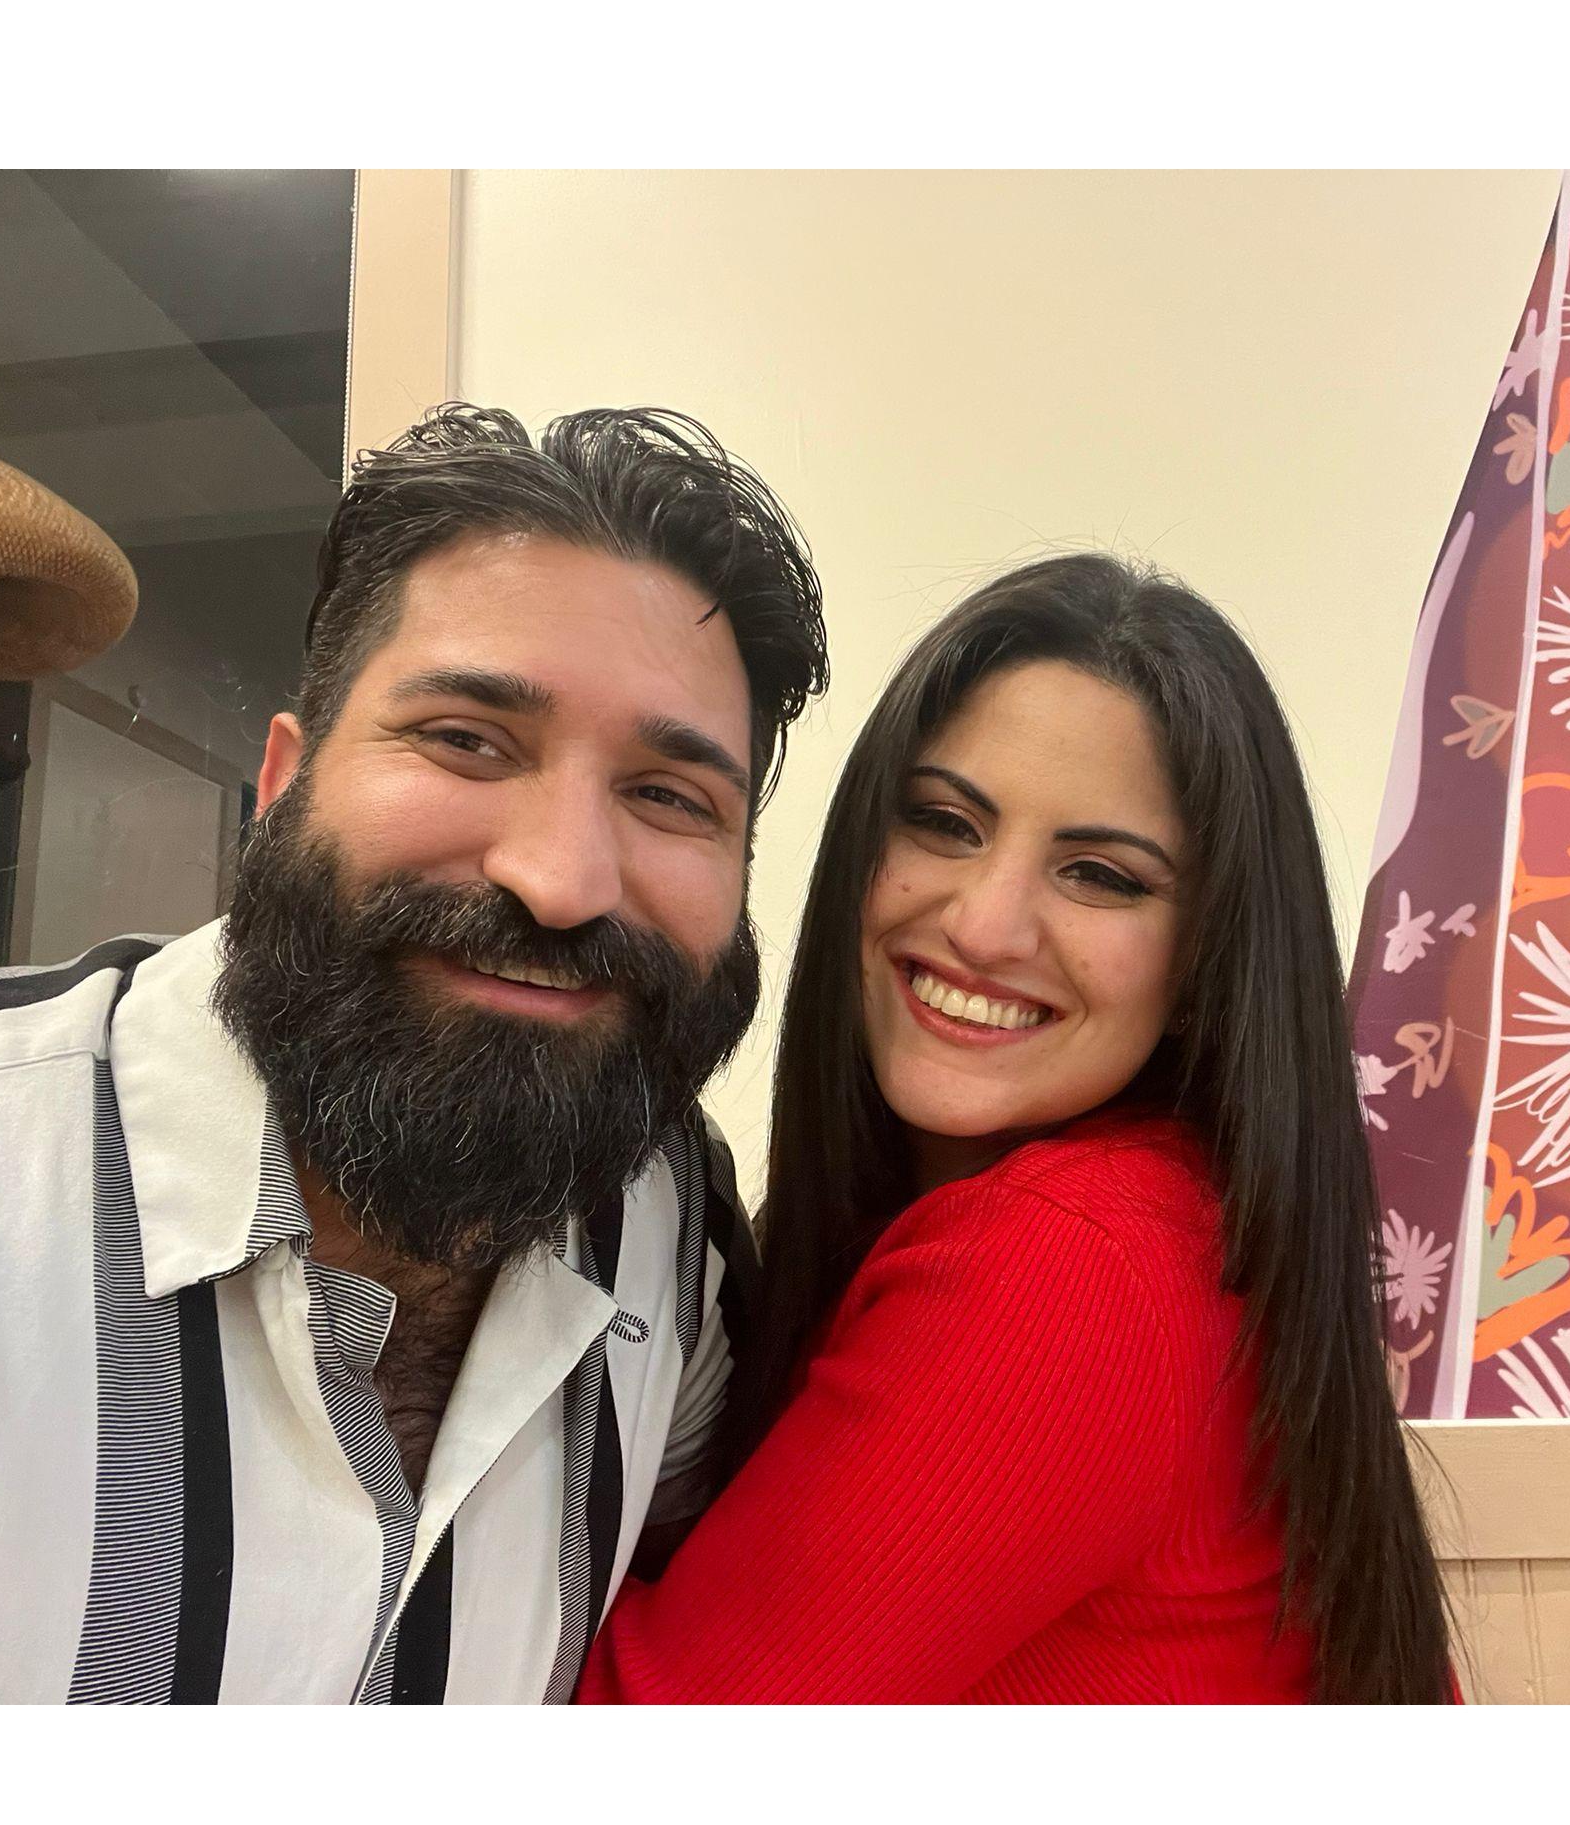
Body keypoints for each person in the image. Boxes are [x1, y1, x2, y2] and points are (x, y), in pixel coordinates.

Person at [0, 403, 827, 1703]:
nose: (562, 878)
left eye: (669, 796)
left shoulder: (666, 1219)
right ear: (283, 782)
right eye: (467, 739)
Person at [579, 552, 1453, 1703]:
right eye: (943, 822)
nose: (986, 926)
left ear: (1205, 964)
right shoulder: (1171, 1213)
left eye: (1099, 875)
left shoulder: (1069, 1254)